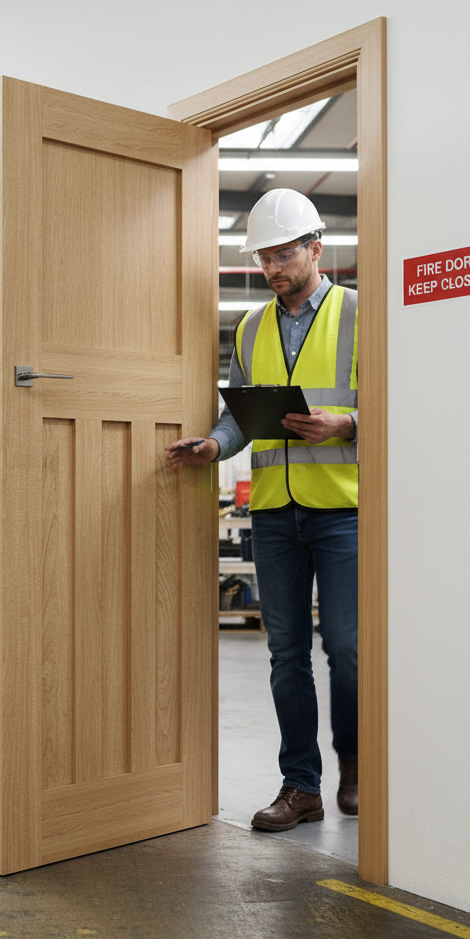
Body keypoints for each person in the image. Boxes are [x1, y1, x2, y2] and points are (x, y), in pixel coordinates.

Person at [165, 188, 359, 833]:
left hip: (342, 512)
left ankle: (357, 767)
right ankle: (300, 786)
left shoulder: (361, 314)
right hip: (275, 513)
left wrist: (348, 422)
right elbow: (238, 416)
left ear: (315, 247)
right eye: (264, 257)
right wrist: (213, 445)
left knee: (349, 648)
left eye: (283, 254)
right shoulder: (250, 327)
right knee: (286, 653)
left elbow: (398, 400)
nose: (273, 267)